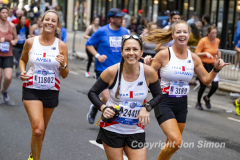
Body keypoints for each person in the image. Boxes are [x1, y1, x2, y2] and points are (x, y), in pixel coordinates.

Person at [143, 20, 229, 160]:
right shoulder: (164, 54)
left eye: (184, 32)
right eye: (178, 32)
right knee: (176, 141)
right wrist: (147, 68)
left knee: (171, 143)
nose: (182, 35)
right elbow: (147, 78)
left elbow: (206, 80)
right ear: (173, 35)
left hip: (182, 104)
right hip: (164, 102)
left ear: (189, 35)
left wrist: (216, 69)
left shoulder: (194, 58)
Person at [88, 34, 163, 160]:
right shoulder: (112, 71)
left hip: (136, 130)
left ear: (141, 52)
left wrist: (147, 107)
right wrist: (103, 108)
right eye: (127, 49)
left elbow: (159, 95)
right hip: (112, 129)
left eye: (135, 49)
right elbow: (92, 92)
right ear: (121, 52)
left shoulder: (148, 72)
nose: (131, 53)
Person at [19, 10, 69, 160]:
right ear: (41, 21)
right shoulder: (30, 42)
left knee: (42, 130)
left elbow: (65, 74)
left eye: (53, 21)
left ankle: (33, 155)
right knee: (38, 130)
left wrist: (63, 64)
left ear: (57, 25)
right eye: (47, 19)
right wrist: (22, 71)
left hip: (51, 91)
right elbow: (23, 60)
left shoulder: (61, 46)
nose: (49, 23)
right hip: (31, 89)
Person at [86, 8, 129, 124]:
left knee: (117, 98)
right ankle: (100, 110)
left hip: (120, 70)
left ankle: (96, 106)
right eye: (119, 17)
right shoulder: (102, 31)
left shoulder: (126, 32)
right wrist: (97, 55)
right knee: (106, 98)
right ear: (111, 19)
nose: (122, 19)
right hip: (103, 69)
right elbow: (89, 44)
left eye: (122, 17)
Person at [195, 26, 222, 110]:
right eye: (212, 33)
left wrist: (219, 54)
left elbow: (216, 50)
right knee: (203, 85)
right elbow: (196, 53)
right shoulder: (203, 41)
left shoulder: (217, 41)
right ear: (208, 33)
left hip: (212, 66)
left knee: (215, 85)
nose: (214, 35)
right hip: (203, 65)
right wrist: (205, 53)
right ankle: (198, 102)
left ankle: (207, 97)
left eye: (215, 33)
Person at [0, 7, 18, 102]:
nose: (5, 14)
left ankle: (4, 91)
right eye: (3, 13)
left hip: (8, 55)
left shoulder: (12, 26)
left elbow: (16, 38)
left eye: (6, 13)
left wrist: (14, 41)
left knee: (8, 77)